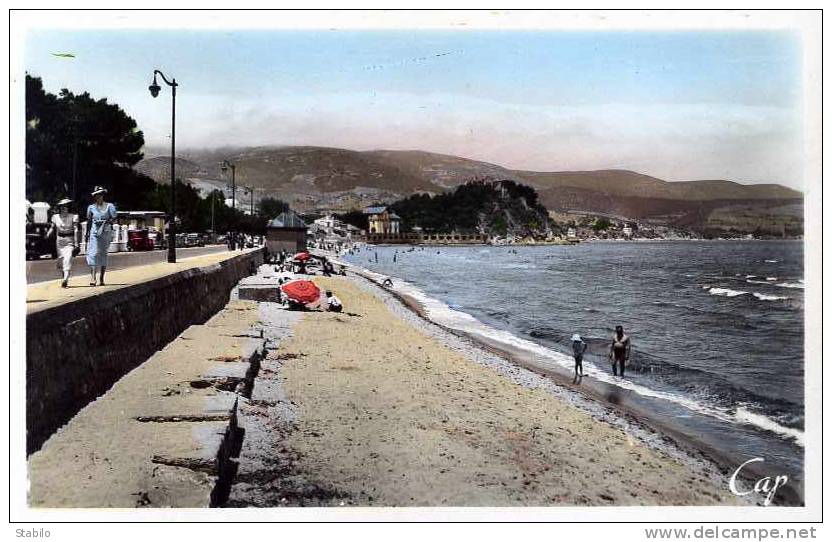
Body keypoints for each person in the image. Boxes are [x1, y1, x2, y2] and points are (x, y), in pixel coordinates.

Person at [85, 186, 117, 286]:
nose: (98, 197)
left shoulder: (109, 206)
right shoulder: (91, 207)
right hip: (94, 232)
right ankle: (93, 278)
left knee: (103, 254)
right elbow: (89, 221)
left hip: (105, 232)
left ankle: (101, 278)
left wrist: (105, 222)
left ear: (103, 195)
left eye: (100, 195)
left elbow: (114, 218)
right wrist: (87, 233)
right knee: (93, 253)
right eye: (96, 195)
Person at [48, 198, 81, 288]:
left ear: (69, 207)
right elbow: (52, 227)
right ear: (60, 207)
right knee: (61, 260)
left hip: (69, 240)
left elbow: (76, 230)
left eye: (66, 206)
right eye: (62, 206)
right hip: (59, 241)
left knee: (68, 258)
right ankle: (64, 279)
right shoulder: (55, 217)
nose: (64, 208)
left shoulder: (73, 216)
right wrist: (49, 233)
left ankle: (65, 280)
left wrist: (76, 243)